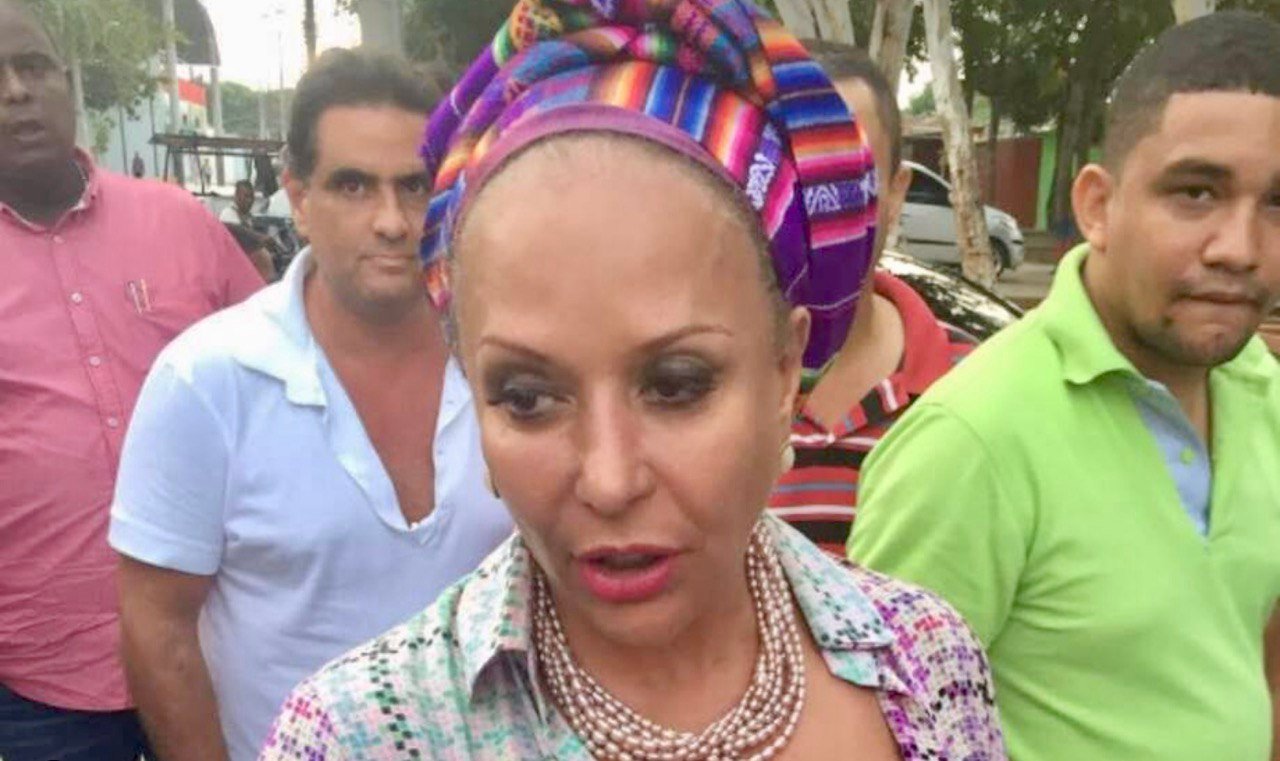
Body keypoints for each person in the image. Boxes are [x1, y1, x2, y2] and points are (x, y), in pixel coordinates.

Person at [262, 3, 1003, 759]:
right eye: (527, 398)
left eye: (676, 385)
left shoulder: (926, 666)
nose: (609, 481)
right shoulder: (361, 735)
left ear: (785, 370)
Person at [848, 12, 1280, 761]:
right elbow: (876, 733)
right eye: (1196, 193)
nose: (1239, 249)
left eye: (1277, 203)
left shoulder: (1263, 392)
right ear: (1097, 207)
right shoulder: (973, 438)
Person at [108, 48, 515, 761]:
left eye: (414, 186)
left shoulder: (513, 363)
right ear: (298, 196)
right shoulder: (206, 382)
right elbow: (157, 628)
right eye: (353, 186)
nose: (391, 221)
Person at [0, 2, 264, 759]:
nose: (16, 92)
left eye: (33, 68)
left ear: (68, 81)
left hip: (216, 644)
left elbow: (281, 374)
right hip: (43, 682)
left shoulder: (179, 222)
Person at [768, 41, 974, 554]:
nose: (812, 204)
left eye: (842, 174)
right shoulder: (678, 389)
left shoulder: (976, 390)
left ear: (896, 192)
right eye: (781, 170)